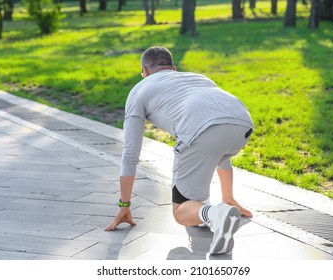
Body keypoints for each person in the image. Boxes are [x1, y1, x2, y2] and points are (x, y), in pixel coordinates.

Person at [105, 46, 254, 255]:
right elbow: (217, 144)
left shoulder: (139, 89)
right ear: (173, 68)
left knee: (181, 212)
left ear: (144, 71)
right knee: (212, 143)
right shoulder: (199, 78)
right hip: (243, 124)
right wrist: (228, 195)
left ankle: (217, 214)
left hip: (202, 132)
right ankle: (222, 208)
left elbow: (130, 154)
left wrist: (124, 206)